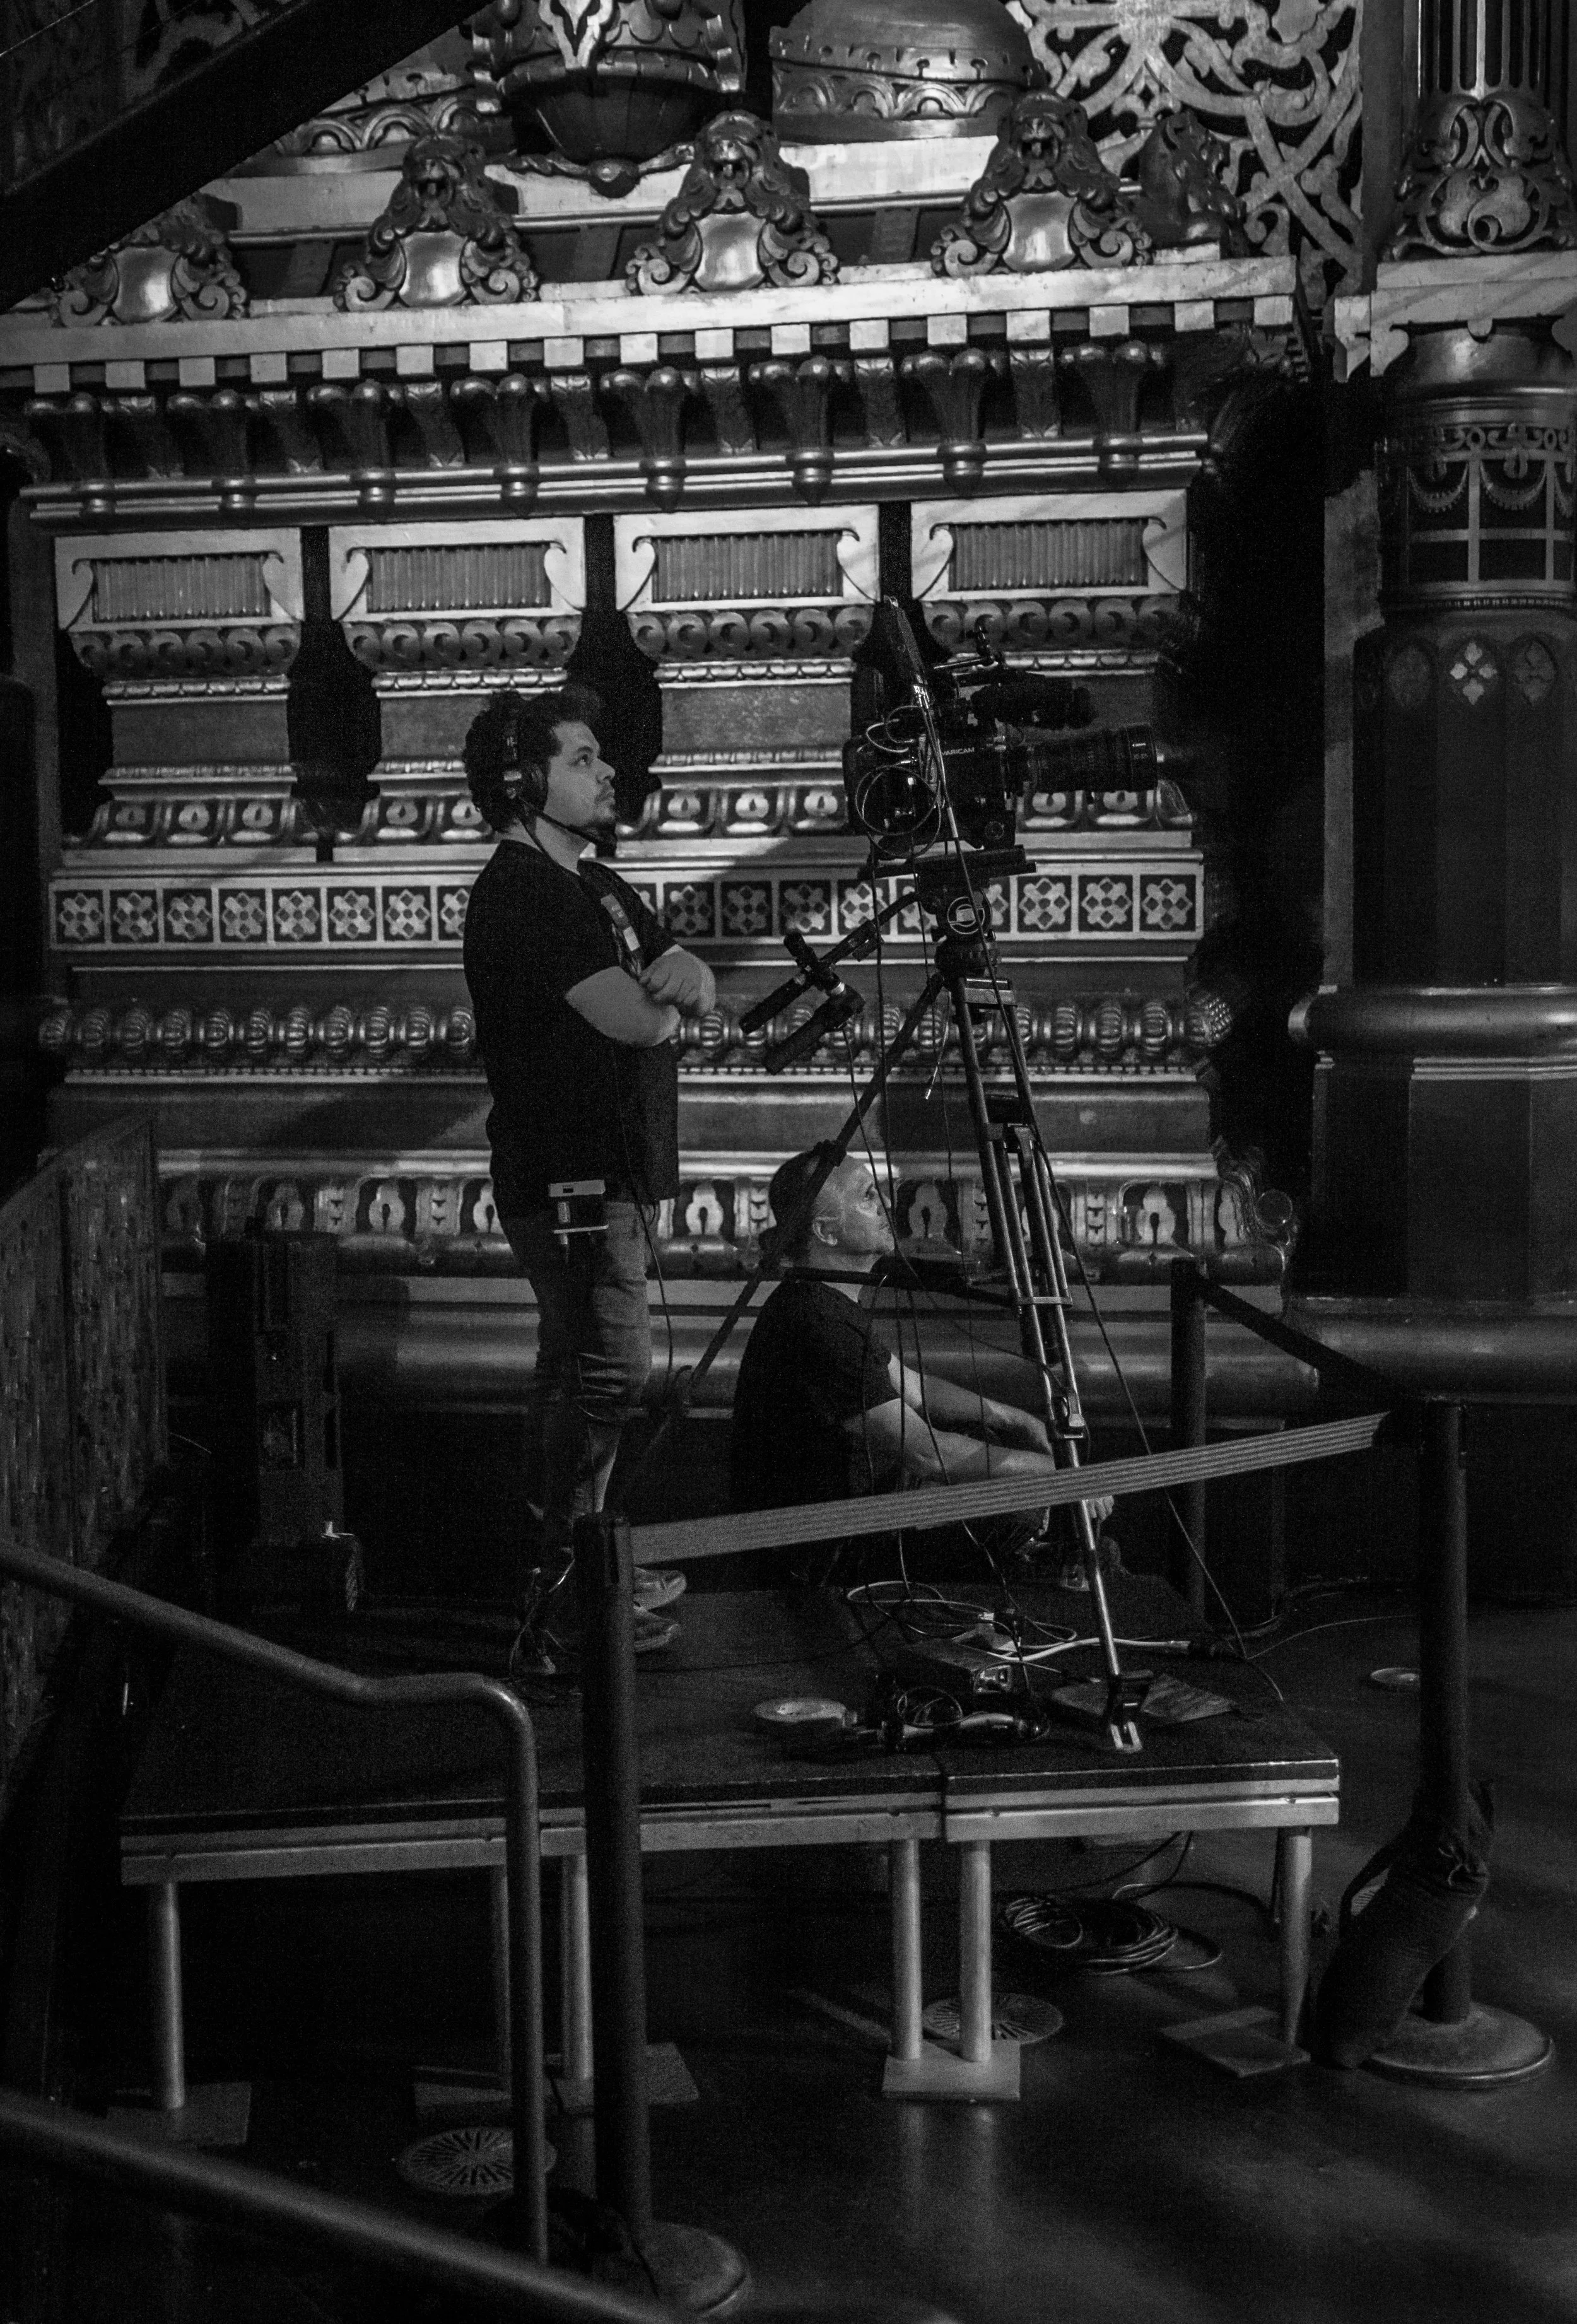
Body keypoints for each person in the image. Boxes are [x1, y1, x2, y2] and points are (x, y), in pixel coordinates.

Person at [461, 683, 716, 1656]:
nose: (607, 772)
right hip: (567, 1179)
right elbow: (640, 1014)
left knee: (576, 1365)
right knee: (608, 1371)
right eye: (581, 760)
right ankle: (573, 1580)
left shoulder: (596, 883)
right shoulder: (523, 895)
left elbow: (684, 971)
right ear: (524, 783)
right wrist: (668, 1003)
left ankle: (571, 1566)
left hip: (606, 1174)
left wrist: (674, 991)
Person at [730, 1145, 1111, 1552]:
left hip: (854, 1525)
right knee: (1020, 1518)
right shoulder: (816, 1322)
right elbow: (929, 1454)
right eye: (867, 1196)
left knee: (995, 1457)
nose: (887, 1204)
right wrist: (1061, 1475)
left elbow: (917, 1389)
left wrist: (1016, 1420)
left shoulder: (821, 1302)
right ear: (827, 1231)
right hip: (821, 1553)